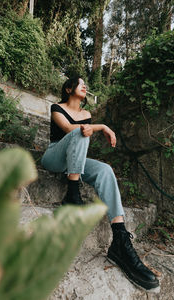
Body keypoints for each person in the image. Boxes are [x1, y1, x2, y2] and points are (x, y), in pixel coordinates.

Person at [41, 76, 159, 291]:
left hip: (74, 159)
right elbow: (69, 129)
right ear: (68, 89)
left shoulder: (87, 114)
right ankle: (73, 194)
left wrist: (94, 125)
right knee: (80, 130)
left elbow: (82, 134)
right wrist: (102, 126)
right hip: (54, 157)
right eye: (80, 83)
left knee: (105, 170)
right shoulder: (56, 107)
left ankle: (120, 239)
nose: (85, 86)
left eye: (86, 83)